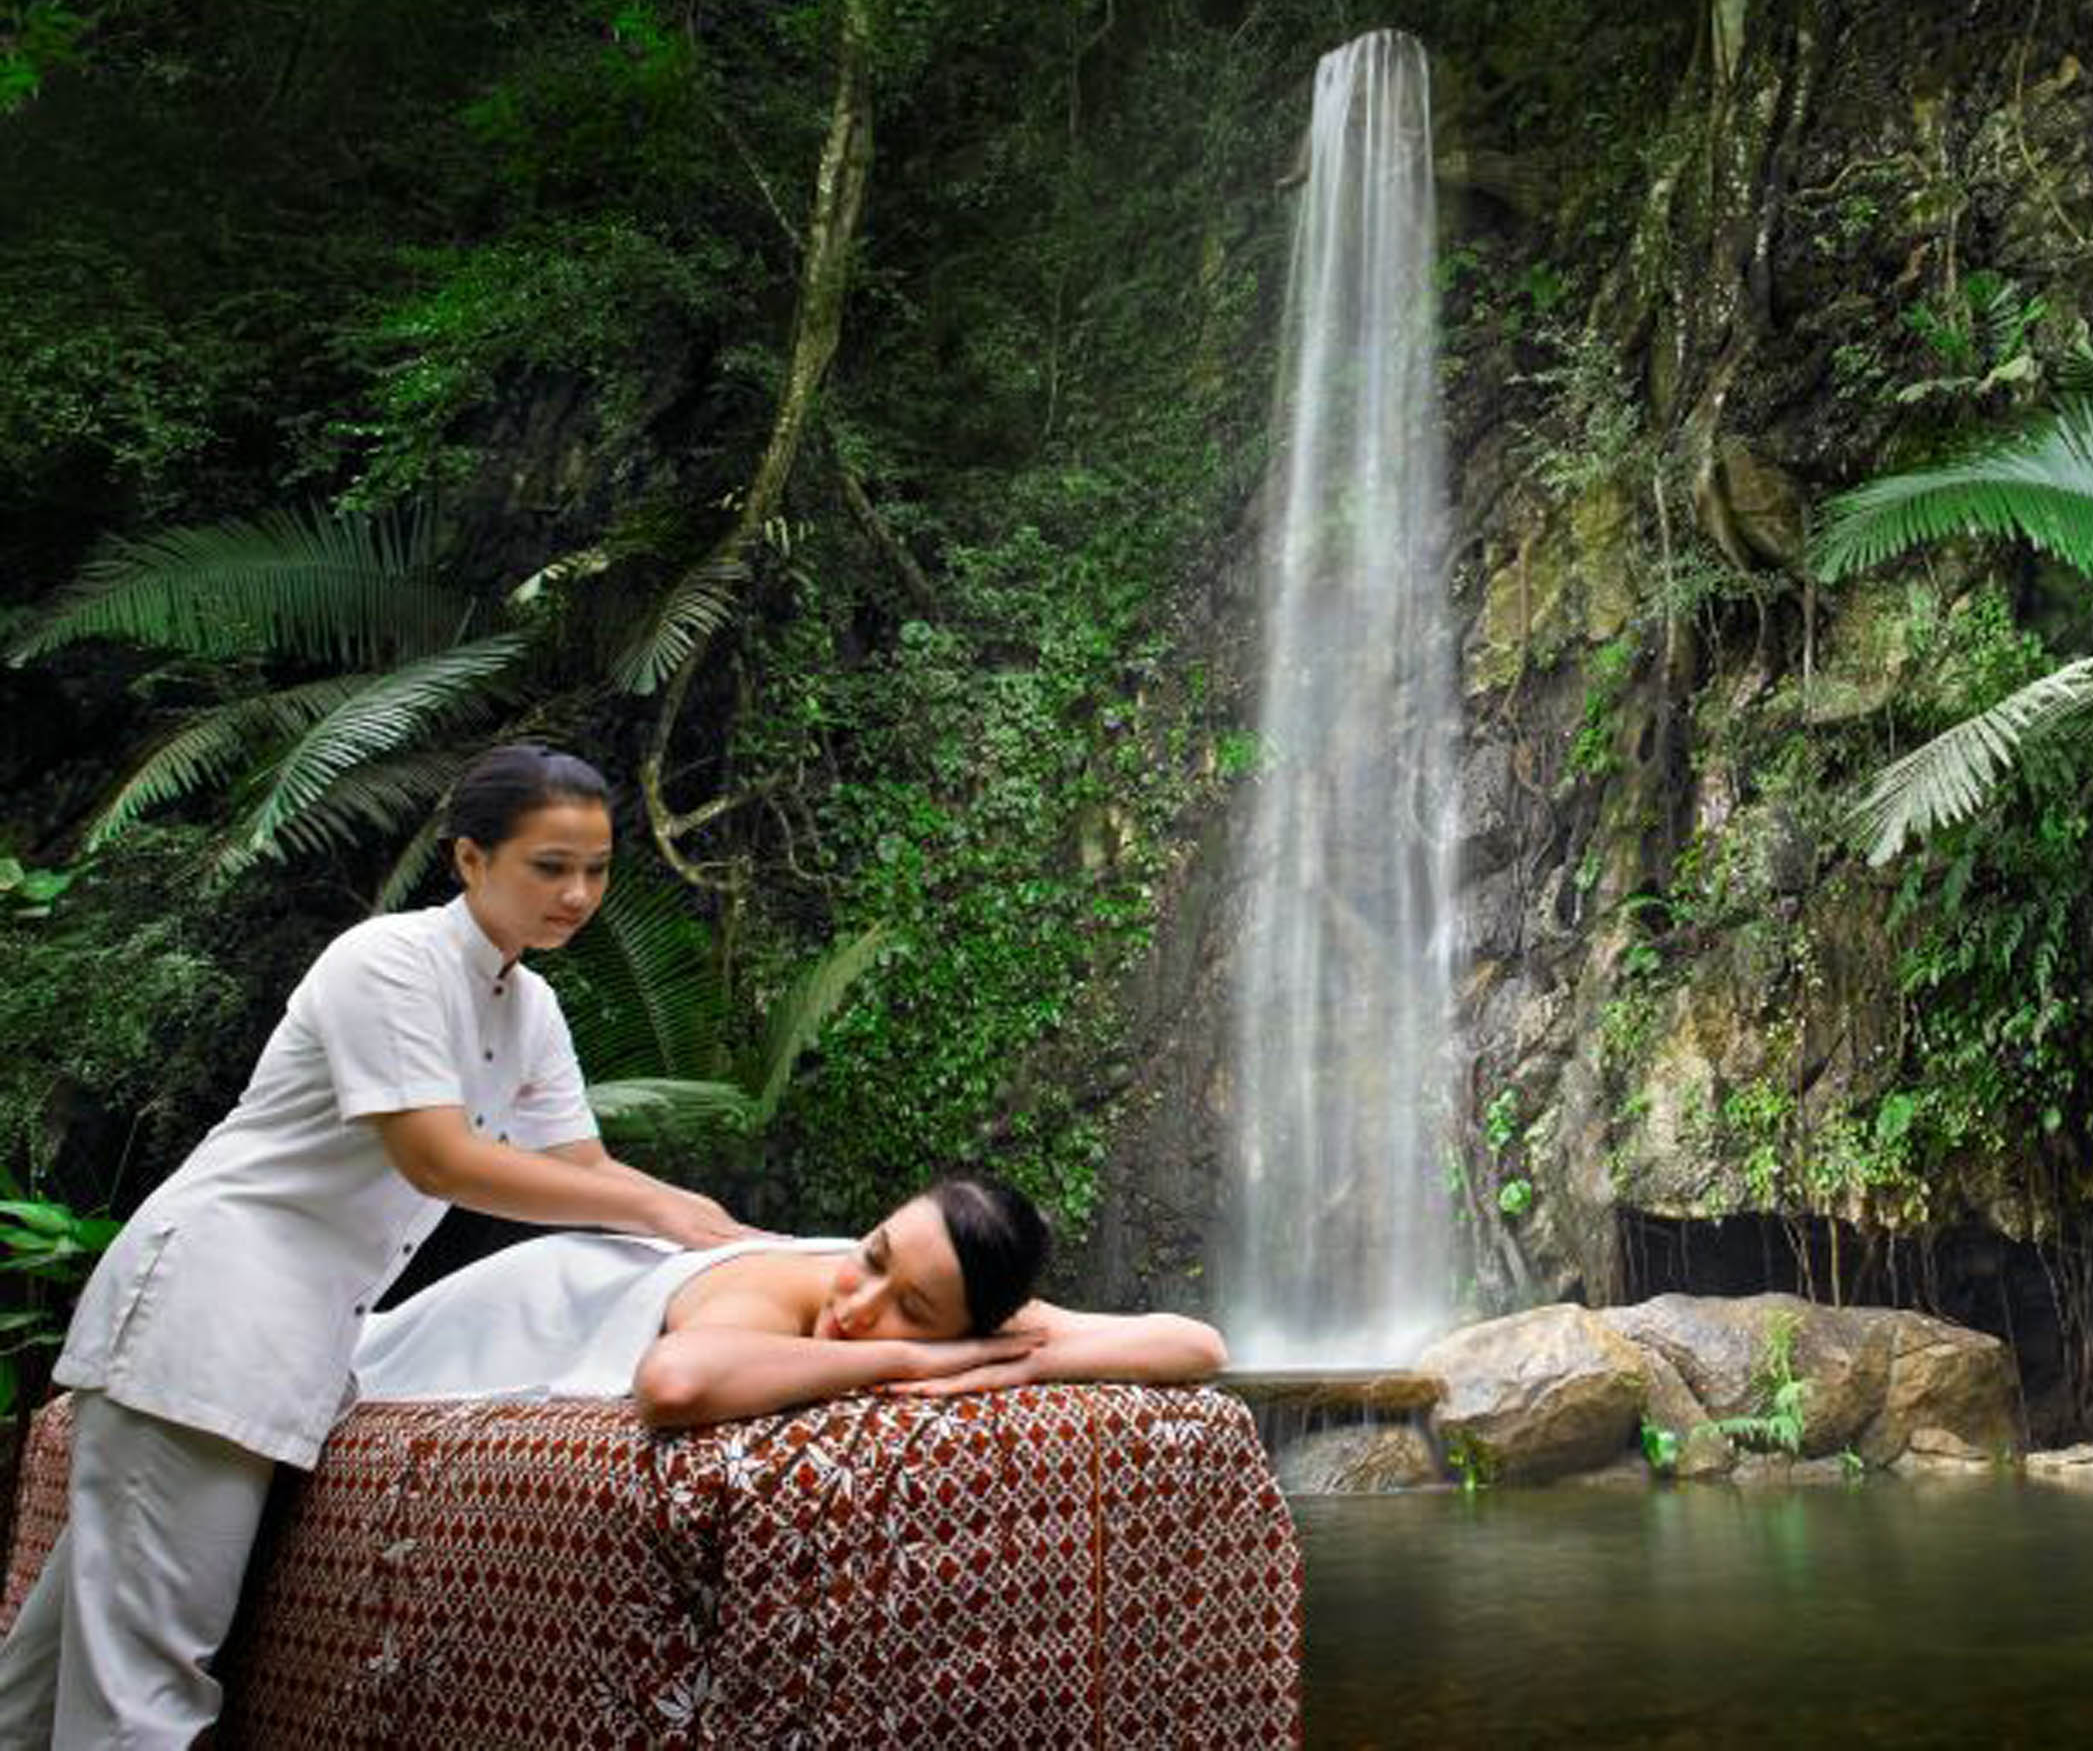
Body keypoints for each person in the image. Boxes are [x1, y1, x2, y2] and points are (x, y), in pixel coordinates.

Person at [0, 745, 762, 1751]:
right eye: (548, 865)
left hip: (284, 1340)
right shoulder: (389, 960)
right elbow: (439, 1157)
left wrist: (721, 1229)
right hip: (205, 1318)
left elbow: (583, 1164)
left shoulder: (527, 1005)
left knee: (49, 1670)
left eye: (597, 867)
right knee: (144, 1680)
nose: (578, 892)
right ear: (469, 857)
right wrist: (667, 1217)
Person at [349, 1169, 1230, 1425]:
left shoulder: (975, 1303)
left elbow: (1195, 1345)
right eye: (874, 1253)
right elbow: (676, 1383)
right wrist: (918, 1351)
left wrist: (1015, 1368)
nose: (859, 1299)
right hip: (442, 1333)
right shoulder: (773, 1298)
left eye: (911, 1306)